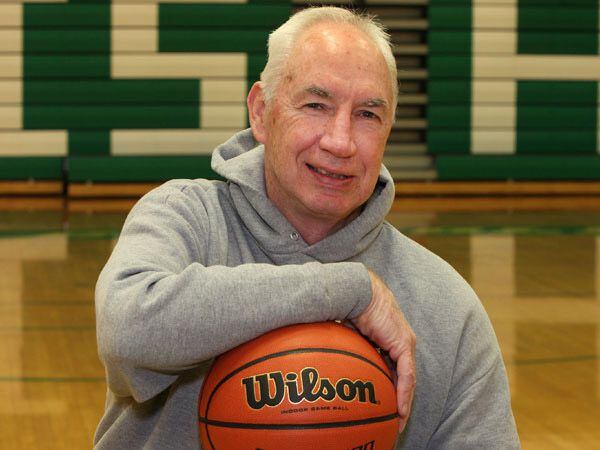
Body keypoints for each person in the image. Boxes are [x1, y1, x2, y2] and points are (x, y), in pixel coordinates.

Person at [94, 6, 520, 449]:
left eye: (368, 115)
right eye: (316, 105)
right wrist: (350, 289)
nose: (340, 141)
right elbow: (127, 330)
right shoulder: (186, 218)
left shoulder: (444, 306)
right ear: (261, 112)